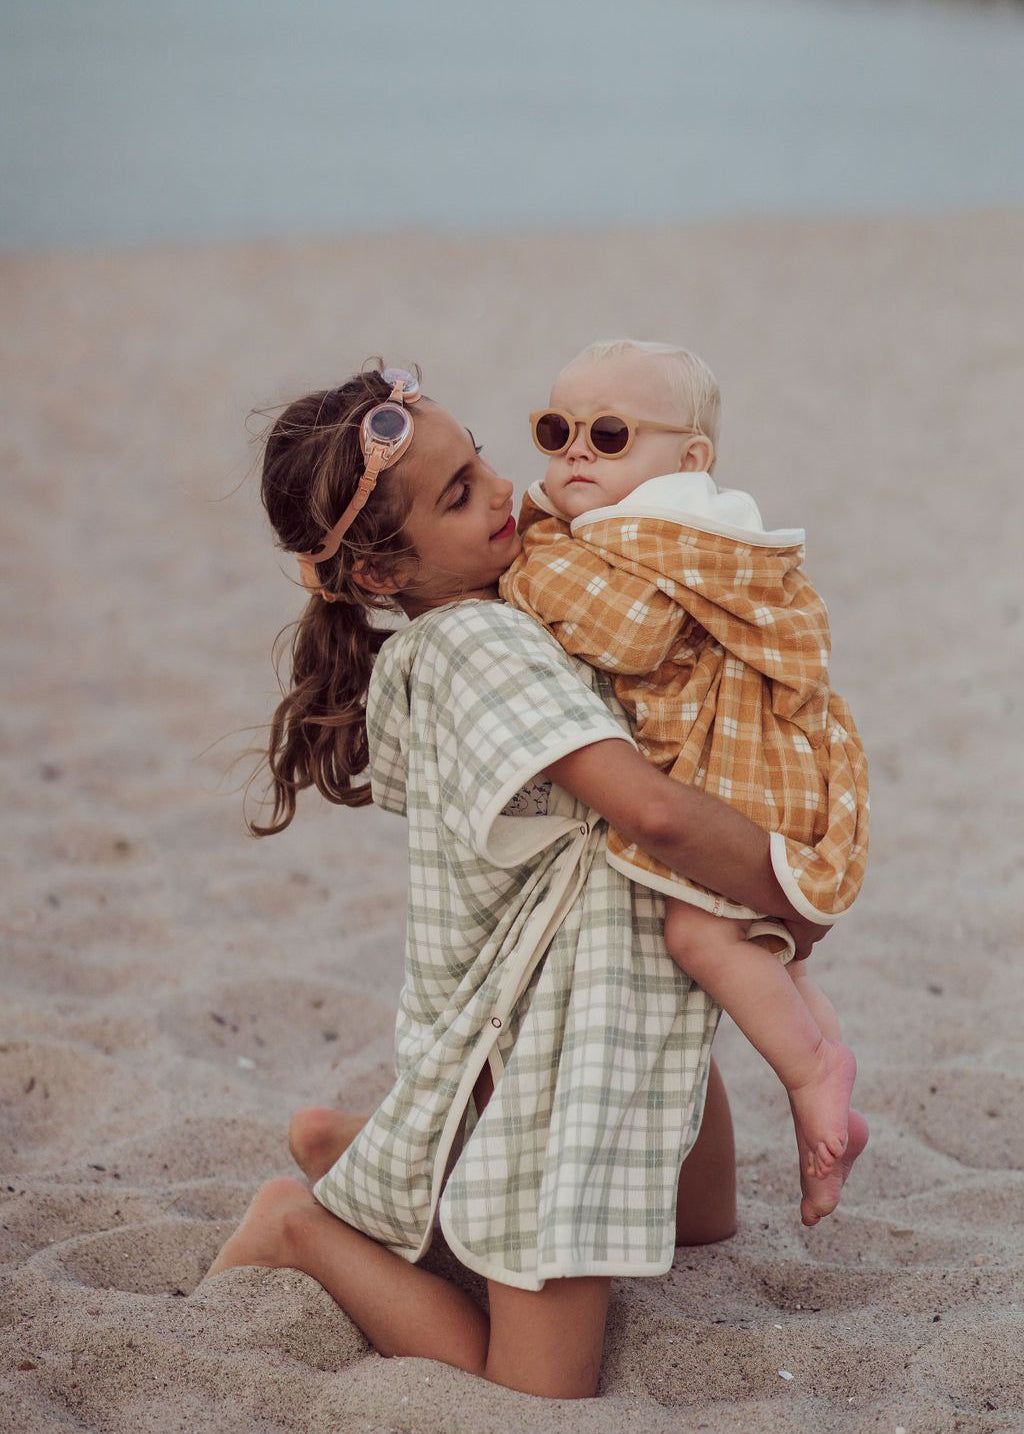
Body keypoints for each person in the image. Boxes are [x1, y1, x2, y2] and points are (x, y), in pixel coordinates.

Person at [205, 363, 845, 1400]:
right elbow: (649, 812)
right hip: (546, 1030)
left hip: (603, 983)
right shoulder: (478, 645)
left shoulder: (515, 595)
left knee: (703, 1225)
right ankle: (299, 1224)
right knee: (538, 1390)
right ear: (377, 575)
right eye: (458, 494)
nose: (503, 490)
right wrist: (792, 890)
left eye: (481, 458)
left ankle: (361, 1146)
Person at [499, 338, 870, 1225]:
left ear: (690, 458)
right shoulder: (682, 518)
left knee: (699, 938)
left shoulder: (659, 527)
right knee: (751, 943)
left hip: (742, 758)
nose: (576, 453)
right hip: (762, 752)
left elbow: (630, 637)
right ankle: (832, 1087)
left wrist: (530, 555)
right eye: (557, 429)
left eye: (612, 433)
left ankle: (812, 1073)